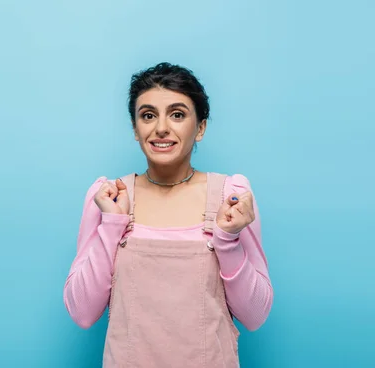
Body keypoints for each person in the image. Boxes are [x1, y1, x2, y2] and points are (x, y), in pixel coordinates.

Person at [63, 62, 273, 367]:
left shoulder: (230, 197)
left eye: (177, 114)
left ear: (200, 127)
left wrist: (227, 240)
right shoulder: (109, 198)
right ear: (136, 129)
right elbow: (82, 312)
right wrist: (112, 224)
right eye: (148, 115)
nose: (161, 127)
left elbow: (255, 316)